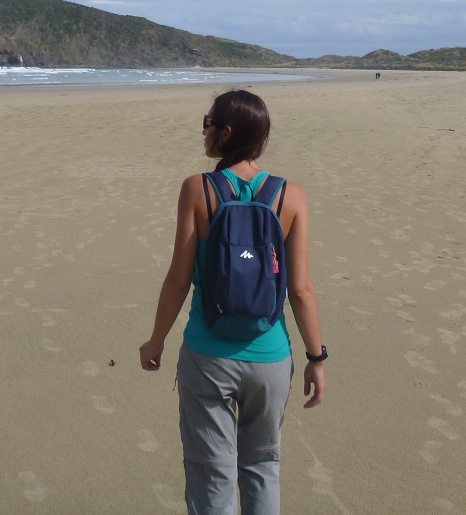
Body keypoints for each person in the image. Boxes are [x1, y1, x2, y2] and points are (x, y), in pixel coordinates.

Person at [139, 89, 326, 515]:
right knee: (262, 467)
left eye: (207, 123)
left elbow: (178, 280)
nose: (203, 131)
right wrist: (317, 357)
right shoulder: (291, 195)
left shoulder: (197, 189)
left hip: (208, 356)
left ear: (225, 132)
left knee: (211, 474)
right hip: (270, 358)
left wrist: (156, 341)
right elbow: (300, 289)